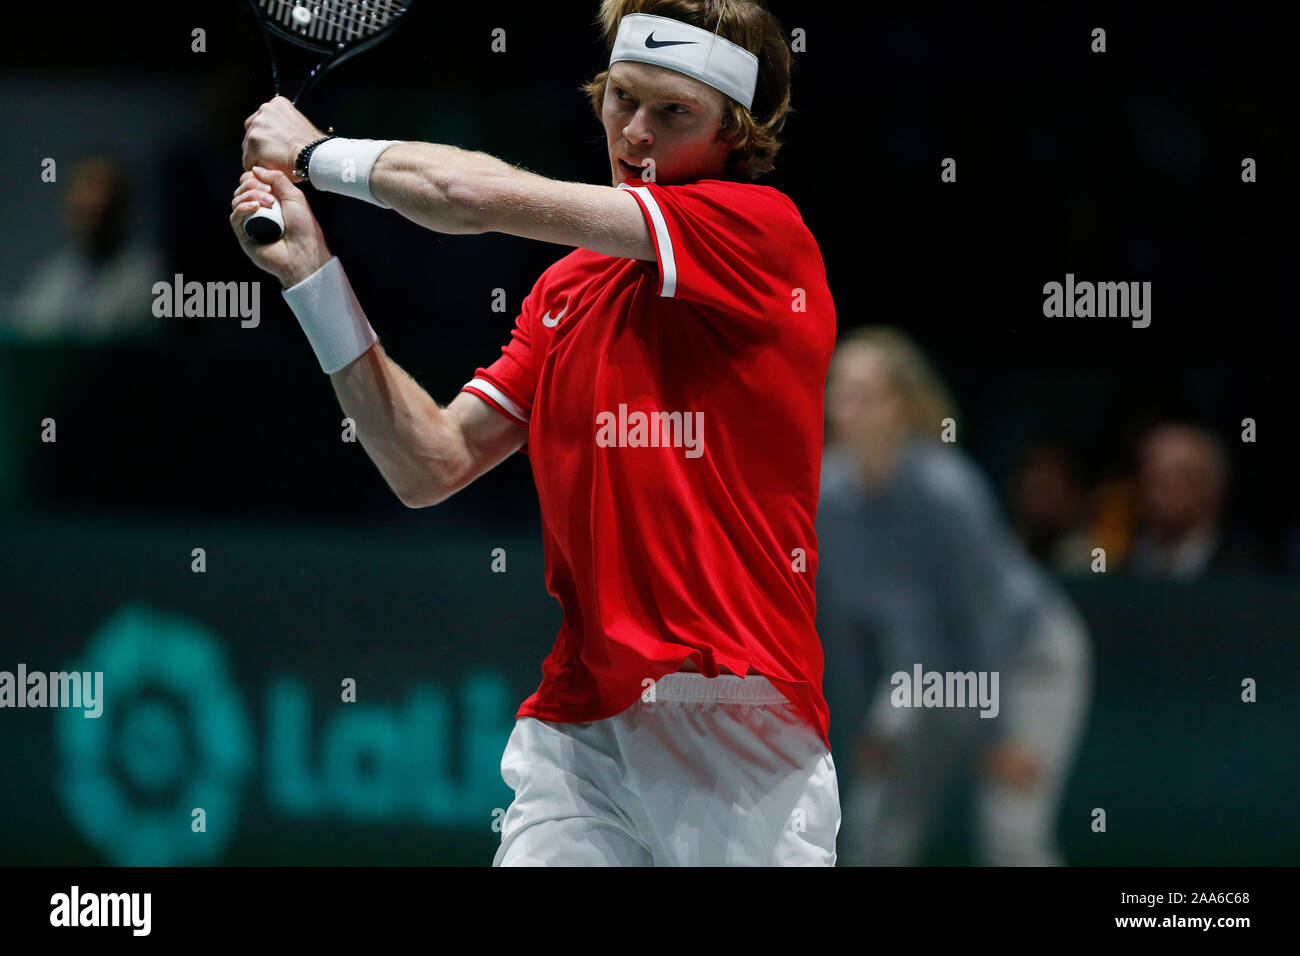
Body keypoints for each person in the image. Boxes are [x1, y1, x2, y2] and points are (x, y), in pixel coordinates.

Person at [230, 0, 839, 865]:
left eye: (674, 114)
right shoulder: (568, 289)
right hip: (579, 729)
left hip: (735, 719)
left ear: (733, 133)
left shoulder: (761, 233)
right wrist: (312, 276)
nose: (635, 134)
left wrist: (315, 153)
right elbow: (428, 463)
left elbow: (468, 195)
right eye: (621, 98)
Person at [817, 327, 1092, 866]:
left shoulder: (947, 490)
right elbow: (843, 625)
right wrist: (860, 726)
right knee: (873, 832)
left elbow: (980, 619)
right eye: (838, 391)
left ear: (902, 405)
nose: (845, 408)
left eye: (864, 393)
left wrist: (999, 734)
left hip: (1025, 661)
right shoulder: (826, 494)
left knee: (1011, 836)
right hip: (925, 672)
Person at [4, 155, 161, 343]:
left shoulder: (145, 278)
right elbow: (25, 327)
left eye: (103, 208)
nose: (93, 204)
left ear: (122, 208)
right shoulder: (52, 276)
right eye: (82, 209)